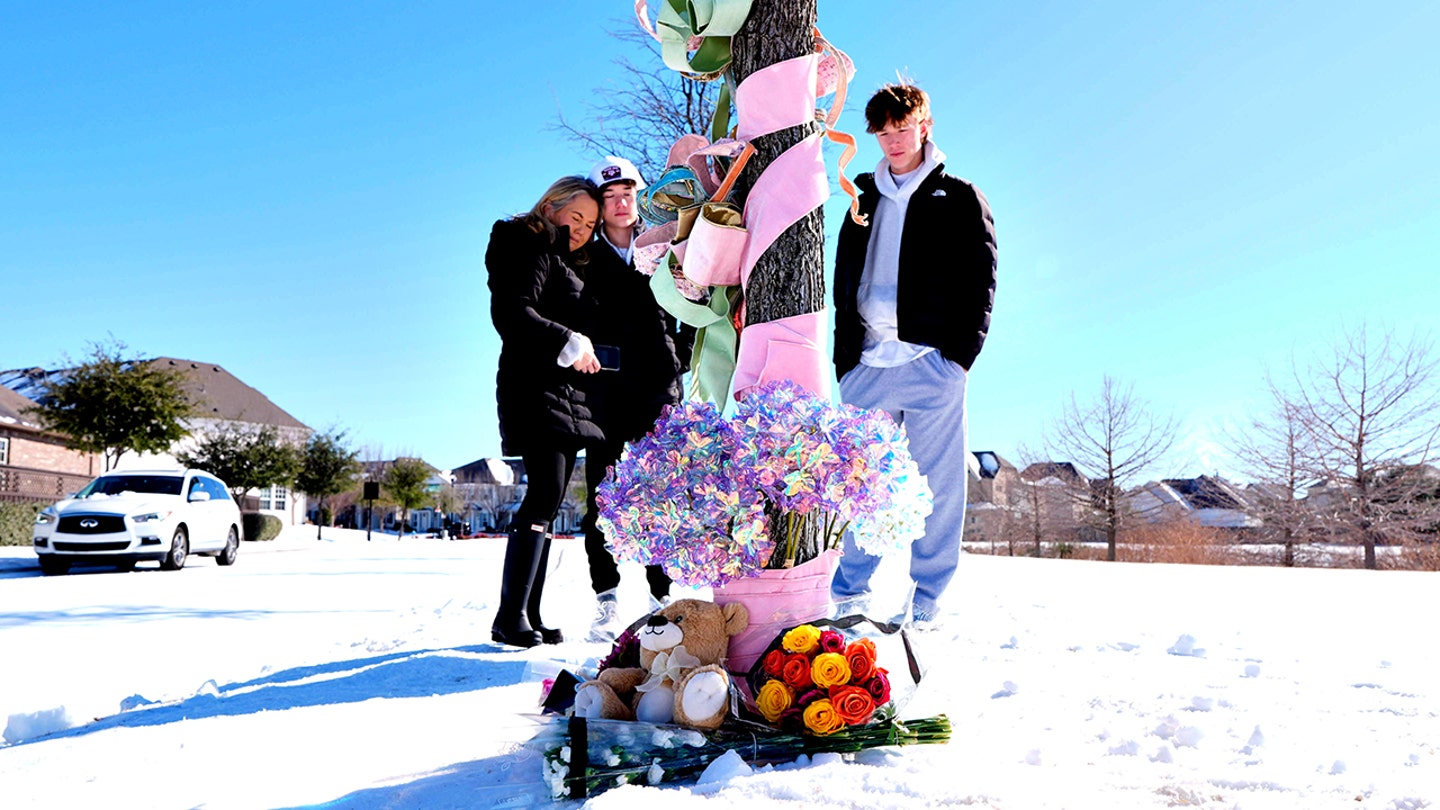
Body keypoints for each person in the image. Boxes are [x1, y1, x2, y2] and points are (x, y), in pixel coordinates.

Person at [829, 83, 997, 628]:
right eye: (882, 132)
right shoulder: (861, 194)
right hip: (867, 367)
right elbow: (841, 281)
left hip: (932, 363)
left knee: (939, 485)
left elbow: (982, 280)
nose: (893, 141)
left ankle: (927, 595)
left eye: (902, 128)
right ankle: (850, 592)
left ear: (924, 125)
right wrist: (845, 361)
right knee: (862, 484)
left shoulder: (962, 195)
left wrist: (958, 359)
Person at [485, 176, 605, 648]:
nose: (581, 229)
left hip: (563, 393)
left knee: (551, 499)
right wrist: (566, 340)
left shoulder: (565, 261)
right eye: (574, 217)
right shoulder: (524, 242)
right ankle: (509, 616)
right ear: (550, 206)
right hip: (532, 386)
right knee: (544, 493)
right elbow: (512, 313)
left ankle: (529, 613)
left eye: (590, 224)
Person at [580, 155, 695, 641]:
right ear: (599, 205)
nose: (621, 203)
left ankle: (661, 596)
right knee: (604, 497)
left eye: (628, 193)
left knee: (660, 494)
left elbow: (692, 302)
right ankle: (607, 598)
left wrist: (680, 355)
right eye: (609, 197)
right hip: (604, 395)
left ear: (640, 196)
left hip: (658, 391)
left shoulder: (664, 246)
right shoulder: (582, 256)